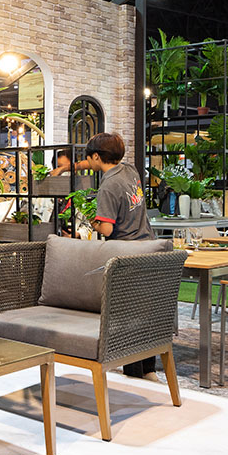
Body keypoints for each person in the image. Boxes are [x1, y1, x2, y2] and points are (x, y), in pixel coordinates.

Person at [81, 132, 158, 381]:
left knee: (127, 316)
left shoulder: (108, 185)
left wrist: (90, 218)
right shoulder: (130, 171)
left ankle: (133, 375)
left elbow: (107, 229)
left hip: (126, 254)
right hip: (148, 248)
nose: (87, 162)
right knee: (145, 313)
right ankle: (149, 369)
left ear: (96, 157)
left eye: (89, 158)